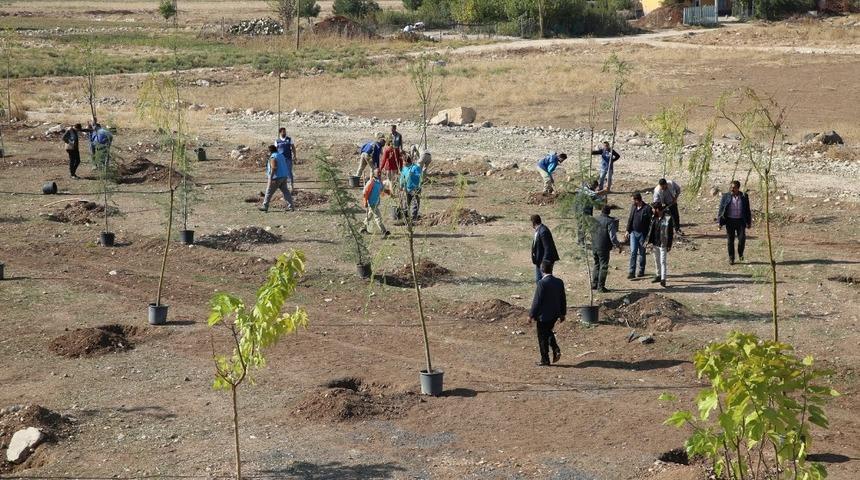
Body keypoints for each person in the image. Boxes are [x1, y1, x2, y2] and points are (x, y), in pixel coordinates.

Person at [529, 260, 566, 366]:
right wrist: (563, 313)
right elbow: (563, 298)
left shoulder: (542, 283)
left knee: (542, 336)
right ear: (551, 269)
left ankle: (545, 359)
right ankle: (555, 349)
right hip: (554, 314)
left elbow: (537, 300)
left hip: (543, 316)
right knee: (548, 331)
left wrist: (531, 315)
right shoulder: (559, 282)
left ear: (541, 270)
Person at [717, 180, 752, 265]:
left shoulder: (744, 196)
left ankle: (740, 253)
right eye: (731, 187)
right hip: (730, 221)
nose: (732, 189)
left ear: (738, 188)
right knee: (730, 241)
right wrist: (720, 222)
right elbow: (721, 209)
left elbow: (747, 210)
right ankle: (731, 258)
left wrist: (749, 222)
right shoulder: (726, 196)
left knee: (742, 240)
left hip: (740, 221)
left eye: (734, 188)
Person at [591, 205, 622, 293]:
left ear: (601, 211)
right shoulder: (610, 221)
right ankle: (601, 287)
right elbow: (612, 237)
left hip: (594, 246)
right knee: (603, 266)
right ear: (609, 212)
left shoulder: (595, 219)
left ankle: (594, 284)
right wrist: (618, 245)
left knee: (596, 264)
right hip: (603, 247)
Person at [259, 144, 294, 212]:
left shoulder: (273, 157)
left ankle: (265, 206)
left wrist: (270, 179)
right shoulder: (281, 155)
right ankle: (291, 206)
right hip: (284, 176)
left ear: (270, 151)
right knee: (286, 192)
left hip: (276, 177)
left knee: (269, 191)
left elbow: (274, 168)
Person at [625, 192, 652, 279]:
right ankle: (631, 272)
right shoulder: (633, 207)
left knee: (642, 253)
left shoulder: (647, 208)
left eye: (633, 199)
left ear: (637, 200)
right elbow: (630, 219)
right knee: (633, 252)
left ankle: (641, 270)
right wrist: (627, 231)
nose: (632, 201)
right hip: (633, 233)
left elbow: (651, 222)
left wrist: (648, 235)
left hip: (642, 234)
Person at [573, 180, 608, 245]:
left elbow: (596, 200)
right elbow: (593, 194)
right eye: (595, 187)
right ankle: (581, 241)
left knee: (584, 226)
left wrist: (604, 198)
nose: (595, 189)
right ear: (593, 186)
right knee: (582, 226)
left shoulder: (588, 189)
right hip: (581, 210)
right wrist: (604, 191)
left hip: (585, 210)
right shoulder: (584, 189)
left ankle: (582, 240)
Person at [647, 202, 674, 287]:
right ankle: (658, 275)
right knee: (656, 260)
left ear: (657, 209)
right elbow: (650, 230)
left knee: (663, 261)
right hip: (655, 243)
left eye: (653, 209)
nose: (652, 210)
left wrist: (669, 244)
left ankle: (663, 279)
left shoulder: (667, 218)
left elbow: (670, 232)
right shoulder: (653, 218)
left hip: (663, 243)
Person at [530, 214, 560, 284]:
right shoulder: (539, 230)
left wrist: (544, 263)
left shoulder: (543, 231)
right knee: (539, 280)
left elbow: (548, 248)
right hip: (539, 260)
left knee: (544, 281)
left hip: (544, 261)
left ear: (533, 223)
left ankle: (545, 294)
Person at [361, 169, 390, 237]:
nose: (379, 174)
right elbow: (365, 193)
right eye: (378, 173)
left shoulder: (379, 182)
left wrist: (389, 192)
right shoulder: (371, 182)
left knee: (370, 216)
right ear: (374, 174)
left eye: (380, 172)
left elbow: (382, 189)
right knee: (378, 217)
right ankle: (384, 231)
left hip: (376, 202)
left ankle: (363, 228)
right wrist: (365, 202)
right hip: (372, 203)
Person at [399, 153, 422, 221]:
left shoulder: (415, 167)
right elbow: (402, 178)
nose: (402, 163)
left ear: (406, 161)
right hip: (407, 189)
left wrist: (412, 174)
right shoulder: (404, 168)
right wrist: (401, 186)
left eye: (403, 161)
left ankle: (413, 218)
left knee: (415, 203)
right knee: (406, 202)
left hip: (415, 189)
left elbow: (419, 176)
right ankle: (405, 217)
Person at [274, 127, 297, 192]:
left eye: (285, 131)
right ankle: (282, 186)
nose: (284, 132)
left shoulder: (289, 139)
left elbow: (293, 148)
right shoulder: (277, 141)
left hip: (288, 158)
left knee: (289, 172)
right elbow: (275, 151)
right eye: (283, 131)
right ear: (280, 132)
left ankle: (291, 186)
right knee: (281, 173)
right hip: (280, 160)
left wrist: (295, 156)